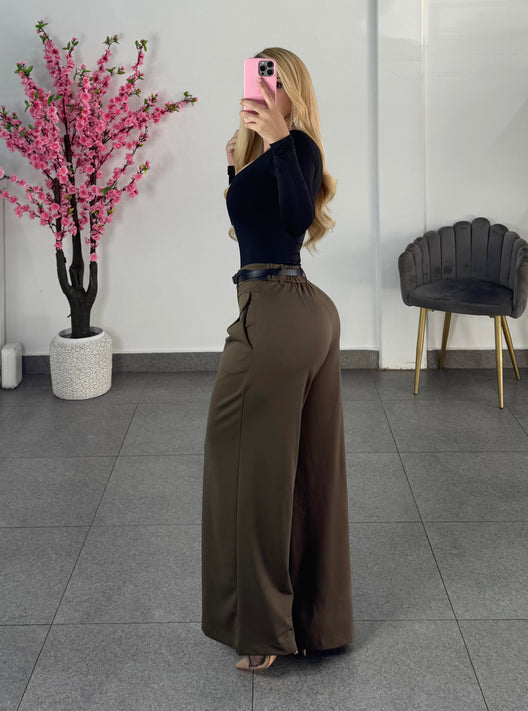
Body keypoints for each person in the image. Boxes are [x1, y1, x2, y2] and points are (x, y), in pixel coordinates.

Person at [201, 47, 354, 672]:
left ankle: (262, 631)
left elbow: (294, 220)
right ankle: (314, 623)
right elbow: (253, 225)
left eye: (277, 81)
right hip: (288, 312)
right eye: (259, 78)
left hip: (279, 316)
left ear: (294, 91)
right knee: (305, 474)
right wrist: (238, 165)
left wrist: (280, 140)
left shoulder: (300, 148)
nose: (265, 90)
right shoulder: (271, 154)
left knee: (247, 472)